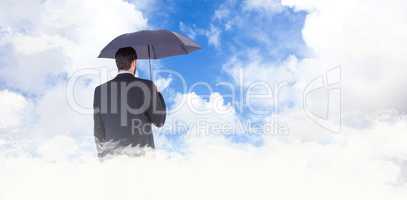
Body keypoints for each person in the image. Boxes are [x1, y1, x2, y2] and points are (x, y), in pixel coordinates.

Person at [93, 47, 166, 158]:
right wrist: (157, 94)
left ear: (117, 63)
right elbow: (159, 121)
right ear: (134, 62)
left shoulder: (99, 90)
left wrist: (103, 157)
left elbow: (99, 130)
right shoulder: (147, 86)